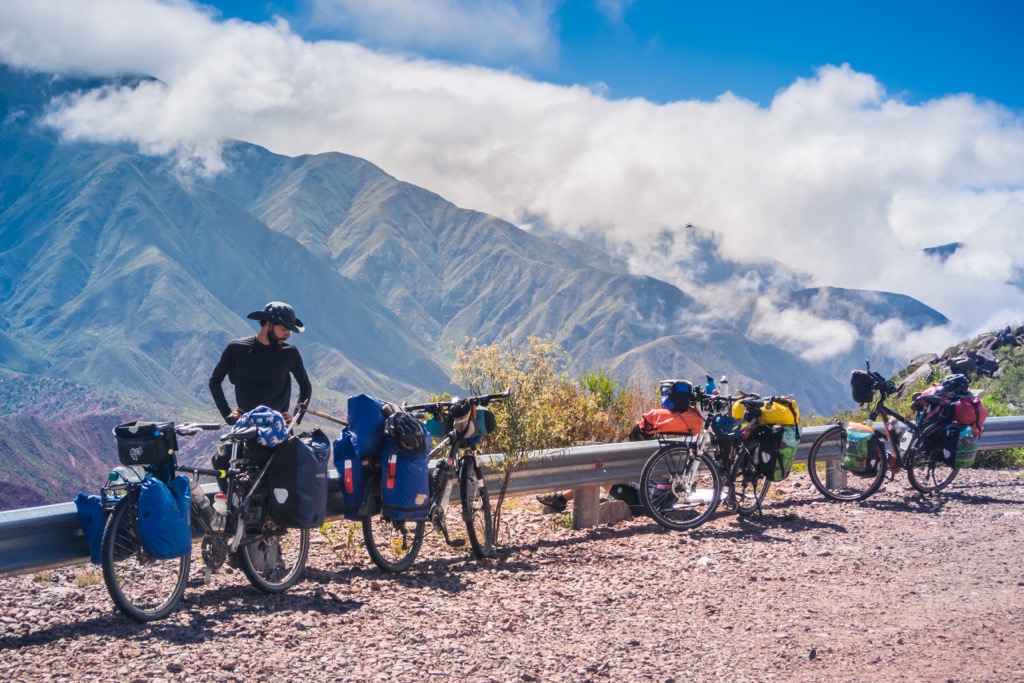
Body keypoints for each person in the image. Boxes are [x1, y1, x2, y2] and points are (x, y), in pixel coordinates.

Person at [209, 301, 312, 426]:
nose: (288, 335)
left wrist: (296, 419)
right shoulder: (237, 348)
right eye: (284, 329)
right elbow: (215, 381)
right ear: (268, 324)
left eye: (289, 331)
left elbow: (305, 386)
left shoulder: (289, 353)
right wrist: (227, 414)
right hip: (246, 429)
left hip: (279, 431)